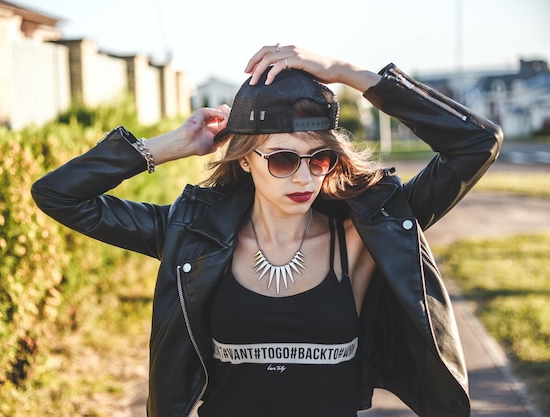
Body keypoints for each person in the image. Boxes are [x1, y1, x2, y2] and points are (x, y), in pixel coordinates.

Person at [32, 44, 503, 417]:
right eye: (281, 159)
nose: (304, 178)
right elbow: (59, 195)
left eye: (320, 158)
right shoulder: (191, 234)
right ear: (245, 159)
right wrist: (171, 145)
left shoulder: (366, 234)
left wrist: (349, 72)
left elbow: (477, 144)